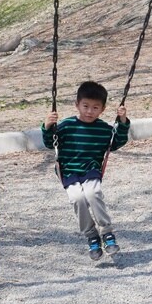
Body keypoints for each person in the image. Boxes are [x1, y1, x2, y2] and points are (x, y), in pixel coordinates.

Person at [41, 81, 130, 261]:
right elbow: (50, 143)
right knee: (77, 198)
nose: (90, 111)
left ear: (102, 109)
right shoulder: (66, 126)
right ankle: (91, 235)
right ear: (77, 105)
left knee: (93, 193)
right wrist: (48, 126)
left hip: (91, 170)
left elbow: (116, 143)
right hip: (69, 172)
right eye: (86, 106)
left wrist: (122, 121)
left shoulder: (104, 130)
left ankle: (106, 233)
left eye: (95, 107)